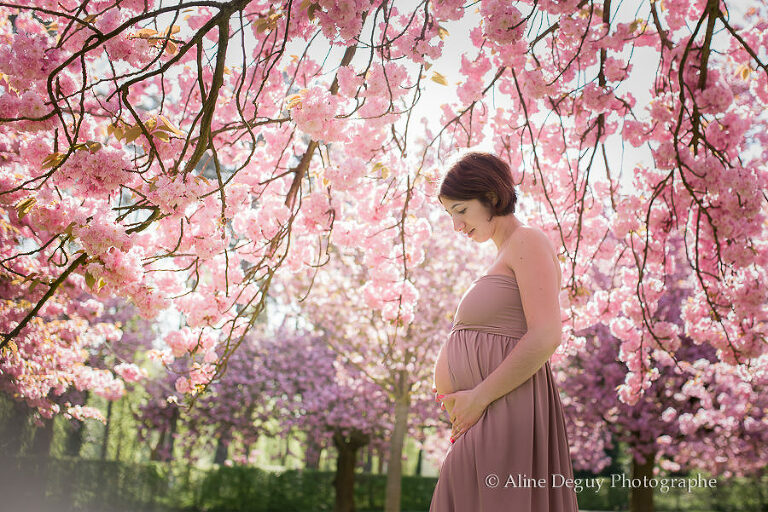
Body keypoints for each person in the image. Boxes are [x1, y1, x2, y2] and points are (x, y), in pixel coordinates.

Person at [429, 151, 579, 511]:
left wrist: (478, 397)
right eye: (451, 216)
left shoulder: (527, 240)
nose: (457, 227)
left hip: (502, 409)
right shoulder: (503, 255)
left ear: (491, 197)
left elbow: (546, 335)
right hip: (486, 412)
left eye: (461, 211)